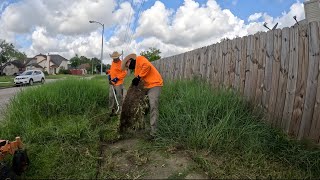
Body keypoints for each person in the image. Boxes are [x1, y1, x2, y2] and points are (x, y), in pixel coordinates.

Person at [121, 53, 163, 138]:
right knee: (142, 107)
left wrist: (138, 77)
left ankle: (154, 133)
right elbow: (139, 80)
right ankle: (143, 127)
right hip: (146, 87)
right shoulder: (136, 71)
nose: (128, 67)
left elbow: (147, 66)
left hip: (154, 84)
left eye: (127, 65)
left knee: (153, 105)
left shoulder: (140, 59)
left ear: (129, 61)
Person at [108, 51, 127, 115]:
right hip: (112, 82)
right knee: (111, 96)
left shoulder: (121, 64)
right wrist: (109, 76)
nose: (114, 59)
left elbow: (124, 73)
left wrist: (116, 78)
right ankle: (111, 108)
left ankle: (120, 109)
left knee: (119, 96)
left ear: (118, 57)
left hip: (118, 82)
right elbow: (112, 71)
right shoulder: (113, 62)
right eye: (113, 58)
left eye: (115, 58)